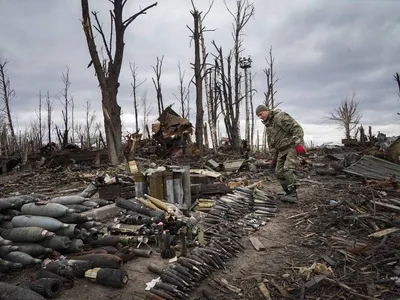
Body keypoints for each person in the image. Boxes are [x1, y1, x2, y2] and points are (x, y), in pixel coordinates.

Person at [256, 104, 305, 203]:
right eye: (258, 116)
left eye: (261, 114)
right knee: (278, 172)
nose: (260, 117)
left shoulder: (280, 117)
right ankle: (288, 192)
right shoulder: (269, 125)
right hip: (281, 150)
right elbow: (272, 143)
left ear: (266, 110)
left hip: (291, 146)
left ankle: (293, 194)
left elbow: (297, 128)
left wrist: (299, 144)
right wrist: (274, 158)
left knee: (288, 169)